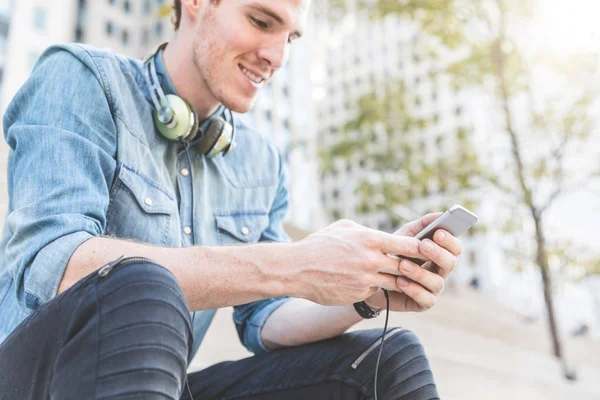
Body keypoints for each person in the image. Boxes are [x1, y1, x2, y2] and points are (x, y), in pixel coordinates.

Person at [0, 0, 463, 398]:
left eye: (291, 38)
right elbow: (52, 262)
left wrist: (366, 291)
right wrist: (297, 263)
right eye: (262, 22)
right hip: (36, 382)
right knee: (140, 280)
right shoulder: (81, 78)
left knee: (389, 361)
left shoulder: (261, 163)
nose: (276, 56)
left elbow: (265, 319)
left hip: (151, 385)